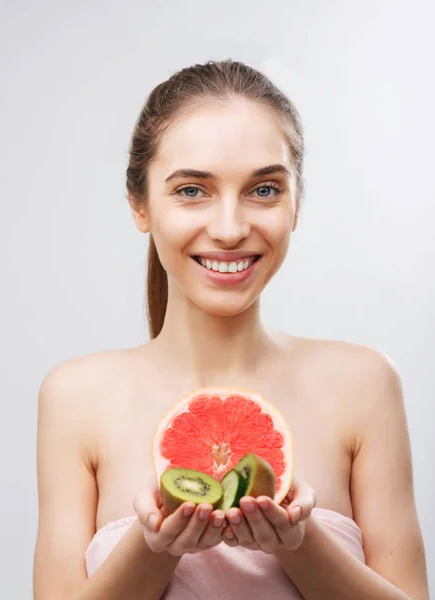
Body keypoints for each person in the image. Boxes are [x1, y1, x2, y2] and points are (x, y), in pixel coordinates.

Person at [33, 59, 429, 600]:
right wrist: (153, 548)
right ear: (139, 204)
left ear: (295, 204)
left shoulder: (364, 384)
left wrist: (299, 543)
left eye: (263, 190)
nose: (229, 229)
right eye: (192, 191)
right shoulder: (76, 396)